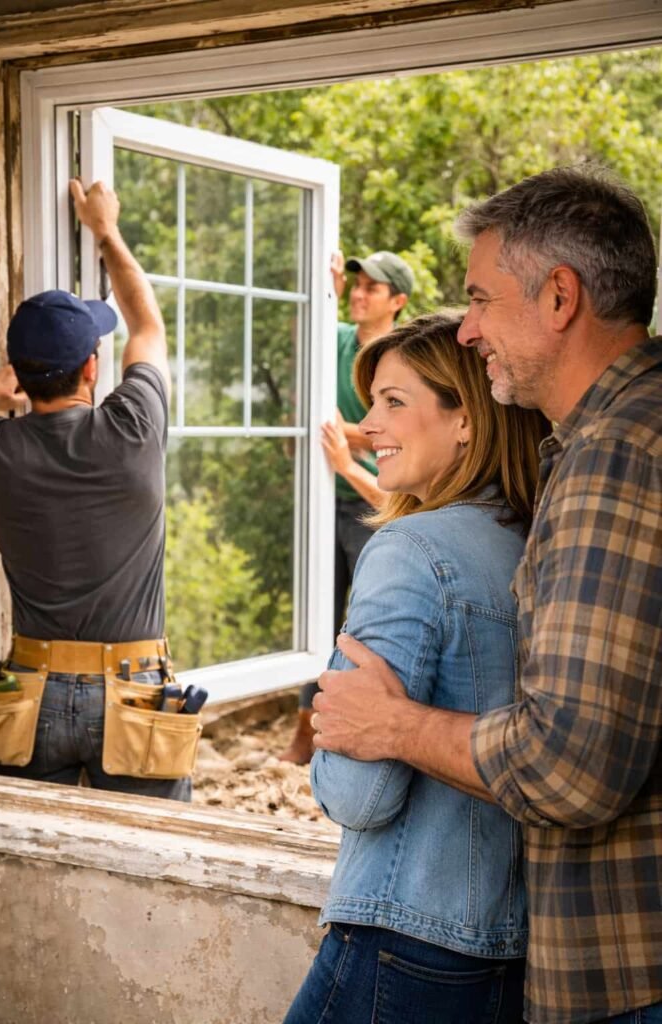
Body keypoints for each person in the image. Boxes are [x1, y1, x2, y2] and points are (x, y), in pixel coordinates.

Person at [311, 168, 661, 1024]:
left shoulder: (615, 454)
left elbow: (569, 768)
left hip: (594, 965)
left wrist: (385, 725)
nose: (468, 330)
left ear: (559, 298)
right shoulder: (564, 480)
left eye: (478, 298)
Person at [284, 312, 550, 1024]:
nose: (367, 426)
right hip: (511, 949)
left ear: (465, 419)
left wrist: (326, 728)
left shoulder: (411, 549)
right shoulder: (534, 541)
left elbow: (359, 794)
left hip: (403, 936)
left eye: (393, 401)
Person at [0, 178, 198, 801]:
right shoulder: (134, 427)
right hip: (135, 692)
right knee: (150, 870)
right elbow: (147, 324)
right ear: (92, 367)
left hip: (29, 691)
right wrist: (105, 230)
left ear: (17, 372)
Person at [280, 249, 413, 764]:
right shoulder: (334, 340)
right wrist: (324, 298)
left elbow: (394, 432)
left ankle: (368, 733)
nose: (359, 294)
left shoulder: (397, 359)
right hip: (324, 496)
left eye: (371, 288)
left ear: (397, 302)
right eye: (355, 285)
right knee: (317, 618)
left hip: (375, 503)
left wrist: (344, 438)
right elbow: (303, 345)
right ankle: (303, 735)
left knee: (368, 622)